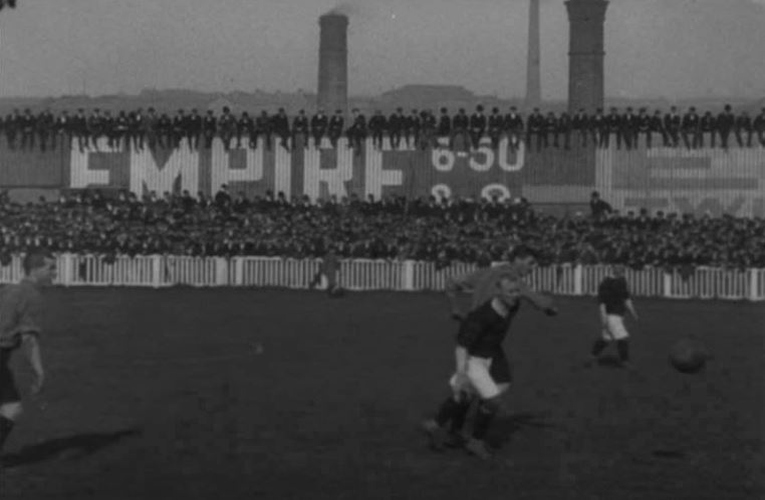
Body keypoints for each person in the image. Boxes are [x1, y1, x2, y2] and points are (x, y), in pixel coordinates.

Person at [421, 246, 557, 458]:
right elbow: (532, 296)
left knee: (495, 383)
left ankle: (449, 427)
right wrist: (548, 307)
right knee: (486, 391)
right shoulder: (510, 278)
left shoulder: (486, 272)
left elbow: (451, 282)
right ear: (517, 260)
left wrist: (454, 307)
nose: (533, 267)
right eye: (531, 263)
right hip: (480, 340)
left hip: (485, 338)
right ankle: (460, 432)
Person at [0, 249, 56, 459]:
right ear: (35, 270)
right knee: (11, 407)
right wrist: (39, 371)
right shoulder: (32, 296)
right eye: (50, 268)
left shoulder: (8, 289)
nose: (54, 273)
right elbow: (29, 339)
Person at [585, 264, 639, 369]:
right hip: (611, 315)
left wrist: (633, 313)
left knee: (606, 339)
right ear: (614, 270)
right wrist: (603, 317)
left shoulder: (623, 281)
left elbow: (626, 298)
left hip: (618, 315)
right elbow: (602, 302)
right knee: (623, 338)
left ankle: (591, 358)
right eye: (618, 268)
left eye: (622, 269)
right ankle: (625, 362)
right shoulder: (606, 283)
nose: (621, 270)